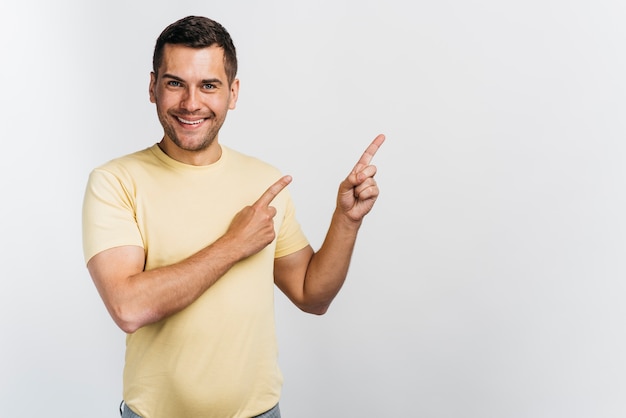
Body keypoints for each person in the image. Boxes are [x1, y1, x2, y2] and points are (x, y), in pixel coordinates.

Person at [82, 15, 385, 418]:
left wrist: (346, 220)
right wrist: (234, 244)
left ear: (233, 92)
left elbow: (313, 295)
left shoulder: (264, 182)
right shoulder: (115, 182)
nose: (192, 103)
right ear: (153, 87)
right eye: (175, 83)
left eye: (209, 85)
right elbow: (128, 307)